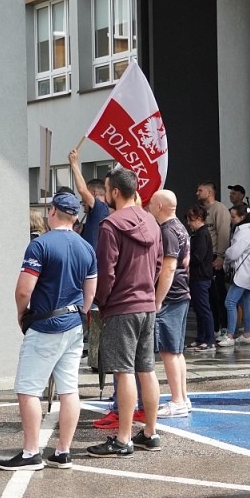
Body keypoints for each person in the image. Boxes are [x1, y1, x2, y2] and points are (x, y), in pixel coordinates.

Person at [0, 193, 96, 471]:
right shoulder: (86, 247)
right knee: (69, 389)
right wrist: (80, 314)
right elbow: (91, 292)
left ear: (52, 212)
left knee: (28, 390)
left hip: (45, 323)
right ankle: (63, 451)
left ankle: (31, 453)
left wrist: (21, 314)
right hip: (74, 323)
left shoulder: (39, 246)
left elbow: (23, 290)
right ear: (75, 216)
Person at [86, 167, 163, 458]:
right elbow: (157, 264)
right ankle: (150, 432)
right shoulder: (152, 222)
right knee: (147, 369)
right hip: (146, 302)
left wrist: (102, 302)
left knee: (124, 371)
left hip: (121, 306)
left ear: (115, 192)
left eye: (106, 190)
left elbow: (106, 271)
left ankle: (123, 439)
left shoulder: (111, 225)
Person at [148, 190, 192, 417]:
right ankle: (182, 397)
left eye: (151, 203)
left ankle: (177, 400)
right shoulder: (181, 227)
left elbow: (169, 267)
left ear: (159, 207)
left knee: (168, 350)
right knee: (176, 350)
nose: (148, 206)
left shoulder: (167, 231)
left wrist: (158, 299)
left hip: (171, 296)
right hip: (181, 293)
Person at [68, 149, 109, 371]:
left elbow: (82, 189)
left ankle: (93, 352)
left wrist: (74, 163)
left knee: (89, 312)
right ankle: (94, 354)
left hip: (93, 273)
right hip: (96, 270)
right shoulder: (101, 213)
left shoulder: (99, 207)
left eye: (84, 201)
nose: (83, 205)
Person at [220, 204, 250, 348]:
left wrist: (226, 253)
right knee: (245, 302)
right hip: (249, 272)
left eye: (233, 217)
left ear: (242, 217)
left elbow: (233, 253)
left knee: (230, 302)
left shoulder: (244, 233)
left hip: (241, 273)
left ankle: (230, 335)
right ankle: (246, 334)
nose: (231, 219)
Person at [197, 182, 231, 342]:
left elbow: (223, 233)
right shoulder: (203, 210)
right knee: (209, 296)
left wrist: (220, 256)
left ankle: (224, 327)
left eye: (200, 190)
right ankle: (215, 327)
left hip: (215, 257)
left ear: (210, 192)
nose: (197, 193)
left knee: (218, 294)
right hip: (205, 258)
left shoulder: (219, 209)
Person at [184, 205, 215, 352]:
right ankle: (201, 338)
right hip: (198, 276)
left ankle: (209, 340)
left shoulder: (202, 234)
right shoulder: (198, 234)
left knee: (203, 309)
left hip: (201, 277)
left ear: (198, 219)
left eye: (191, 220)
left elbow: (198, 257)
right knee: (199, 309)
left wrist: (185, 258)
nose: (189, 223)